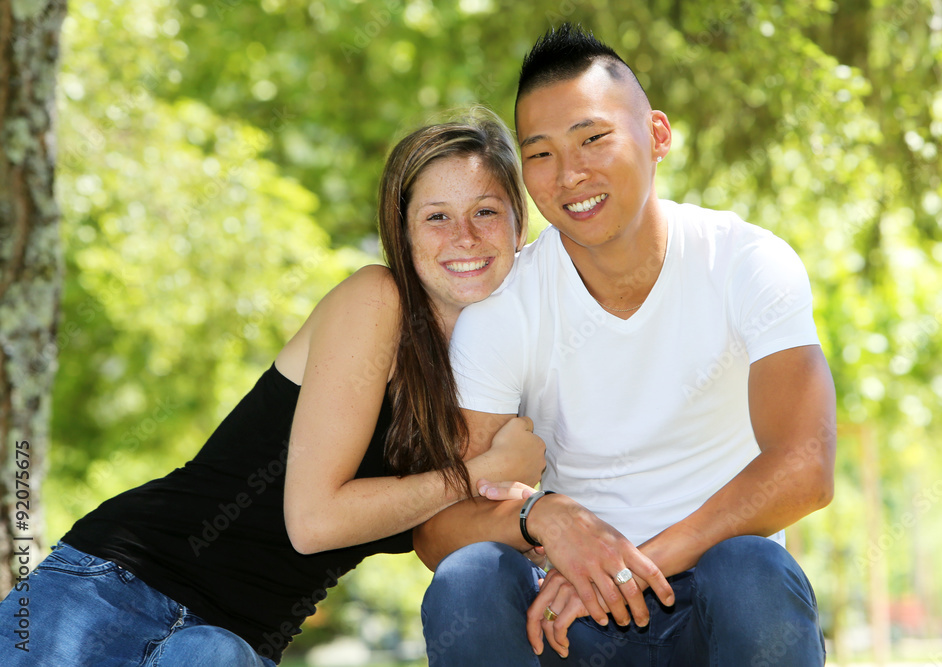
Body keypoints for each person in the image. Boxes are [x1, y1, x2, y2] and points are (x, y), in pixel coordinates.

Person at [0, 108, 546, 666]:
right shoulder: (378, 299)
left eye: (485, 211)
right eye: (436, 217)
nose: (464, 236)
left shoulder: (502, 377)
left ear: (519, 224)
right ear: (402, 233)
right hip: (120, 589)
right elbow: (313, 522)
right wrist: (480, 474)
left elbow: (451, 538)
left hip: (235, 644)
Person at [416, 25, 836, 666]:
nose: (570, 174)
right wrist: (542, 519)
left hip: (716, 607)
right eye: (541, 153)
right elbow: (438, 527)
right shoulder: (503, 310)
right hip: (571, 617)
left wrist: (631, 567)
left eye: (593, 139)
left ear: (657, 135)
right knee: (468, 579)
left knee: (753, 568)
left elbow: (806, 466)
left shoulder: (746, 262)